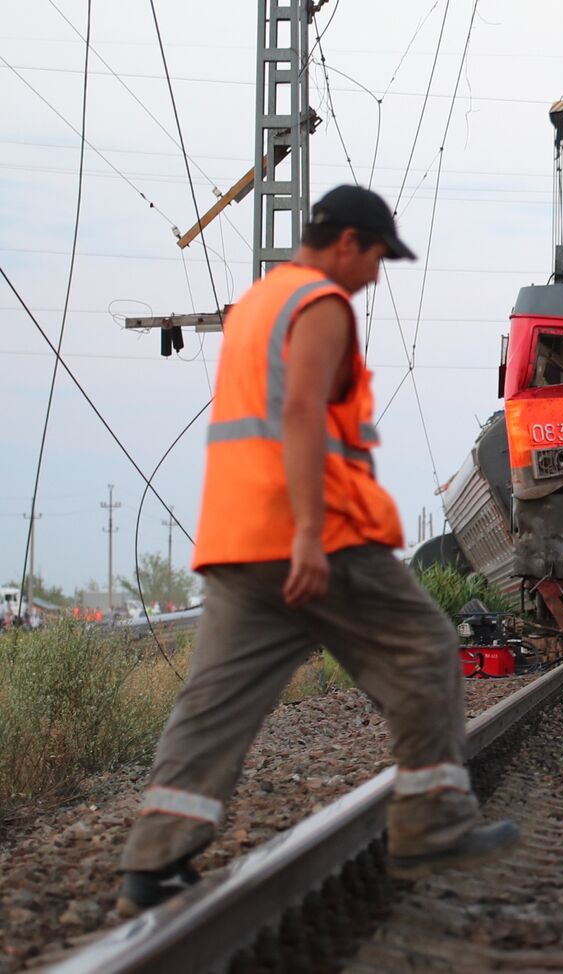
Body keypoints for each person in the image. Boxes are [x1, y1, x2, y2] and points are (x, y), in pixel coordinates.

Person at [116, 186, 518, 916]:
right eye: (375, 258)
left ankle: (154, 858)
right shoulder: (320, 305)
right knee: (425, 648)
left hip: (239, 539)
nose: (374, 276)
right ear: (346, 242)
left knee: (216, 698)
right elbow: (301, 411)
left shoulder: (259, 305)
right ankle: (430, 821)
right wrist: (307, 533)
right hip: (319, 535)